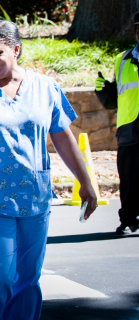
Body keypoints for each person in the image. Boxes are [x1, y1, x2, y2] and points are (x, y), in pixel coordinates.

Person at [0, 20, 98, 320]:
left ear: (16, 50)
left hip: (35, 201)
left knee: (27, 282)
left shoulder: (45, 88)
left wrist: (85, 182)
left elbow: (62, 136)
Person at [95, 12, 139, 235]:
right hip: (129, 128)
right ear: (135, 32)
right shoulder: (122, 59)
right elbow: (116, 99)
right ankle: (129, 220)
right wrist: (104, 91)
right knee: (129, 179)